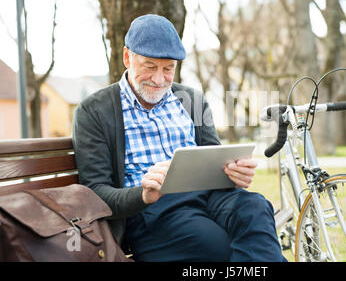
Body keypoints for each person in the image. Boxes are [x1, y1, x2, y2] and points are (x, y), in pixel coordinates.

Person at [72, 14, 284, 262]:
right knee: (221, 247)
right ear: (127, 57)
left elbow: (213, 161)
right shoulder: (94, 110)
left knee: (256, 208)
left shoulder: (192, 100)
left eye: (168, 68)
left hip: (209, 198)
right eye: (150, 67)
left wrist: (234, 174)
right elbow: (95, 191)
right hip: (151, 212)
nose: (159, 79)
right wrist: (142, 194)